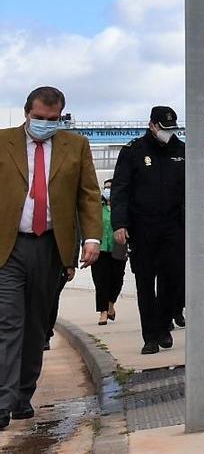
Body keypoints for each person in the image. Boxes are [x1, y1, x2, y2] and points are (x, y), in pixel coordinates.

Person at [0, 86, 102, 430]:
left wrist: (91, 237)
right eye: (39, 118)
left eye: (53, 119)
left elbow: (88, 194)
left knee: (36, 325)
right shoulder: (3, 142)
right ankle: (1, 400)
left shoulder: (76, 147)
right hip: (8, 247)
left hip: (50, 248)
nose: (45, 124)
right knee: (8, 322)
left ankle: (21, 396)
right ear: (27, 112)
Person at [110, 106, 186, 355]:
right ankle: (150, 336)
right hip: (142, 227)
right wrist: (119, 224)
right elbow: (120, 189)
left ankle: (164, 324)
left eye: (172, 129)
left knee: (172, 279)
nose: (168, 134)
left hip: (174, 226)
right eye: (164, 129)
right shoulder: (133, 152)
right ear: (152, 125)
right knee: (145, 281)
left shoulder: (182, 151)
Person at [92, 179, 127, 326]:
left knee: (117, 278)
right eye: (106, 188)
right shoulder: (97, 208)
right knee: (101, 280)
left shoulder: (123, 208)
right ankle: (103, 312)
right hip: (100, 248)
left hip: (118, 247)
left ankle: (111, 304)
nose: (108, 191)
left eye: (111, 188)